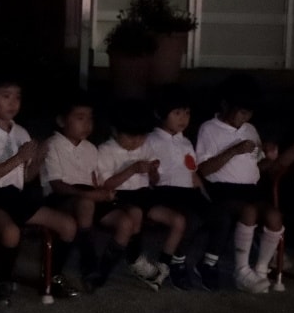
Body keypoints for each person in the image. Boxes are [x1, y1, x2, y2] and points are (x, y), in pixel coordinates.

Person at [0, 76, 79, 302]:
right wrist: (18, 158)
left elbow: (25, 178)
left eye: (17, 97)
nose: (13, 103)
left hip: (17, 197)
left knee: (67, 225)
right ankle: (3, 279)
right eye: (6, 96)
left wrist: (38, 158)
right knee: (11, 232)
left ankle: (53, 277)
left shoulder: (20, 132)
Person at [196, 74, 284, 294]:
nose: (245, 117)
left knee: (274, 216)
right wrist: (233, 150)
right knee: (249, 211)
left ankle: (261, 269)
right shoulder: (209, 129)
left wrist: (269, 158)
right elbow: (204, 169)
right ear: (225, 105)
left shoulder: (250, 130)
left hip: (250, 189)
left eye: (249, 113)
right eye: (242, 112)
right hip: (223, 189)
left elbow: (258, 166)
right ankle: (241, 270)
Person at [40, 91, 136, 291]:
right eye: (80, 118)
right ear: (61, 120)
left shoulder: (91, 148)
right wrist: (89, 195)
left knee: (126, 223)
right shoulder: (52, 145)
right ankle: (88, 261)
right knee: (86, 204)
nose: (87, 124)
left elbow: (94, 181)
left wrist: (104, 193)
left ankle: (100, 273)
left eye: (90, 119)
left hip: (89, 196)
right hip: (62, 198)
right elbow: (57, 185)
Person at [97, 100, 190, 290]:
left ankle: (162, 266)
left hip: (144, 195)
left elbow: (153, 181)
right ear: (115, 131)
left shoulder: (145, 146)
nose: (136, 142)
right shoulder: (106, 150)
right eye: (130, 137)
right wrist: (131, 169)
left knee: (178, 221)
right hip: (119, 197)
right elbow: (106, 185)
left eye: (141, 137)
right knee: (135, 214)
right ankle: (135, 259)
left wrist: (153, 171)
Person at [147, 86, 230, 292]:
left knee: (222, 217)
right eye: (177, 113)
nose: (183, 118)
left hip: (187, 193)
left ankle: (208, 263)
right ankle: (177, 262)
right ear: (160, 114)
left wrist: (205, 197)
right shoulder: (151, 140)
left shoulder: (185, 143)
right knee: (191, 219)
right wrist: (152, 174)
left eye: (187, 113)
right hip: (165, 193)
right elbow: (150, 177)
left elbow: (192, 174)